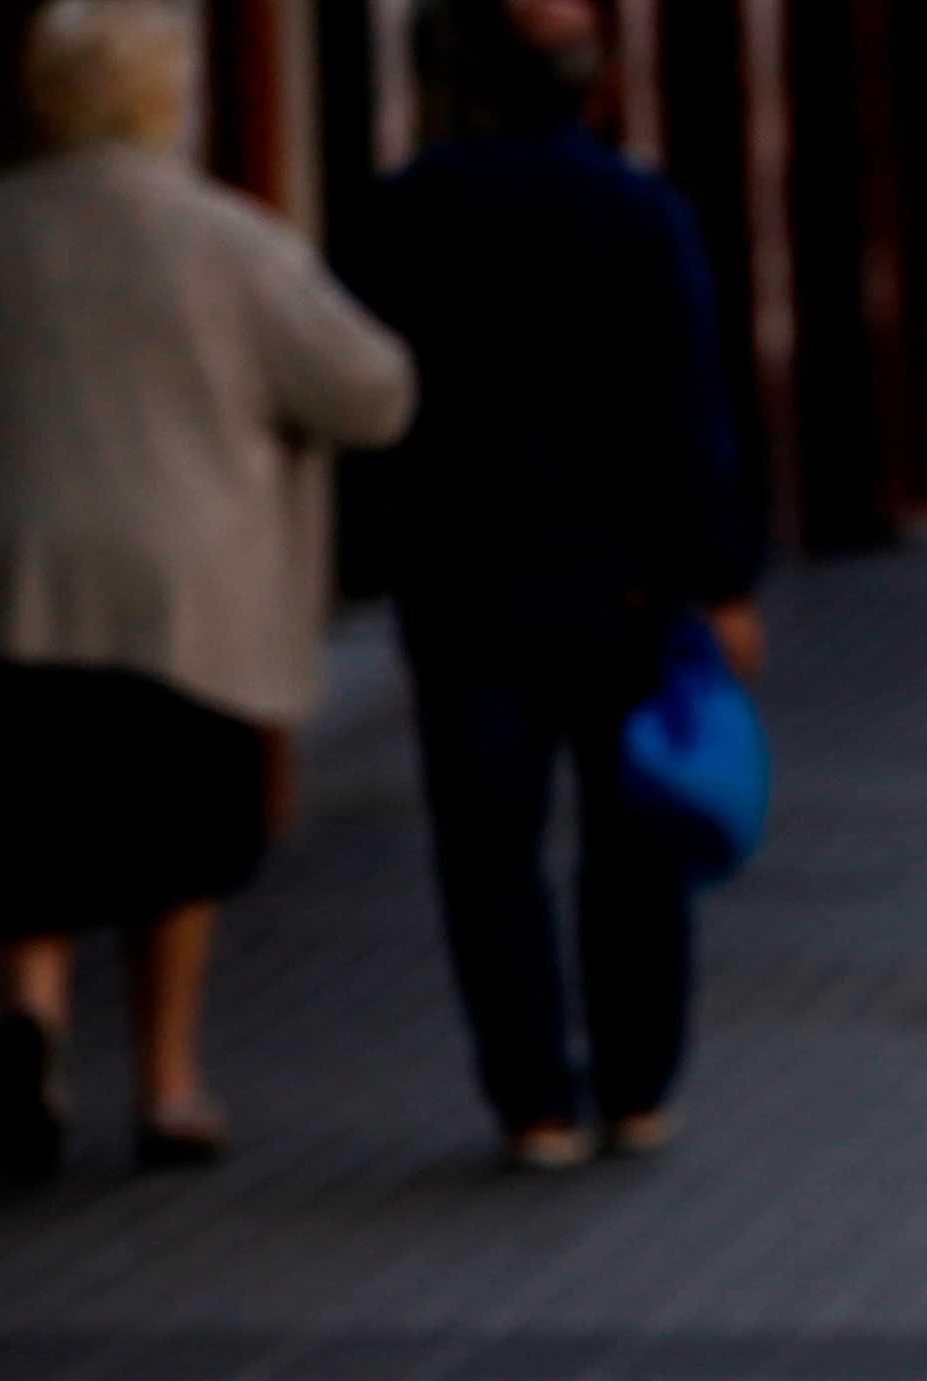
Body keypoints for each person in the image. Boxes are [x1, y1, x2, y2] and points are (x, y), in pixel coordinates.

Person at [0, 0, 415, 1180]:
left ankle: (35, 1016)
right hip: (181, 598)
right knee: (176, 839)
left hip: (2, 588)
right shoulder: (232, 239)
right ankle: (166, 1081)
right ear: (167, 94)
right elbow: (372, 389)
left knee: (25, 819)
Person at [343, 0, 762, 1173]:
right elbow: (694, 406)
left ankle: (534, 1101)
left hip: (466, 583)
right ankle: (634, 1087)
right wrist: (721, 579)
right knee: (632, 841)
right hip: (621, 583)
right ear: (592, 87)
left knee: (487, 852)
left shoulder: (409, 209)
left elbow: (361, 391)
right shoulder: (638, 211)